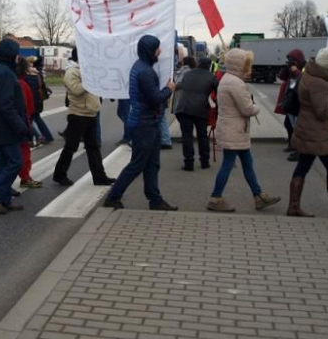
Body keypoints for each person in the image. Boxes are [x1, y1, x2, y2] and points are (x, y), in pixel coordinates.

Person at [102, 35, 178, 211]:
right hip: (144, 124)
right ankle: (113, 197)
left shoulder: (142, 67)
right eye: (157, 48)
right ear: (149, 51)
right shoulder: (145, 72)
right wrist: (169, 89)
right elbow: (154, 98)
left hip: (148, 122)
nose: (160, 51)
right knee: (137, 165)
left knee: (152, 164)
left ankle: (155, 200)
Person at [207, 49, 280, 212]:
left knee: (247, 163)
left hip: (233, 129)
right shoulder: (235, 83)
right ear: (239, 65)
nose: (249, 68)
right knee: (228, 164)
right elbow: (247, 109)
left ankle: (258, 195)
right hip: (235, 130)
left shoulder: (229, 79)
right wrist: (256, 107)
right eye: (246, 64)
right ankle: (215, 198)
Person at [287, 48, 328, 218]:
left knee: (303, 166)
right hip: (317, 133)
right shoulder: (318, 83)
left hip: (306, 128)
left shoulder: (309, 75)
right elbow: (322, 112)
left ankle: (293, 206)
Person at [53, 47, 116, 187]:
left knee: (93, 147)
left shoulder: (87, 71)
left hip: (90, 113)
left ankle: (100, 177)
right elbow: (76, 90)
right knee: (71, 147)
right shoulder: (72, 71)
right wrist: (90, 79)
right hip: (78, 115)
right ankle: (59, 175)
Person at [0, 38, 29, 215]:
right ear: (12, 55)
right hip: (5, 127)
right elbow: (6, 105)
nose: (19, 57)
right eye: (17, 53)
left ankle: (4, 199)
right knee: (16, 162)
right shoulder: (5, 74)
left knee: (3, 163)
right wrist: (21, 126)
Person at [175, 57, 217, 171]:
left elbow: (181, 85)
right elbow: (218, 94)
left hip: (183, 108)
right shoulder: (211, 77)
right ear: (209, 66)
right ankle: (204, 162)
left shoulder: (188, 74)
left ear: (198, 64)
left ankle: (188, 163)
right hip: (201, 109)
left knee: (187, 136)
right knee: (202, 136)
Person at [17, 57, 42, 188]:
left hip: (11, 122)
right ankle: (25, 178)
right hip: (21, 122)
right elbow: (30, 108)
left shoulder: (11, 81)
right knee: (24, 151)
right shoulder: (23, 84)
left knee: (8, 153)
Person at [26, 56, 54, 145]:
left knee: (28, 121)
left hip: (31, 102)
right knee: (36, 119)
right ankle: (47, 136)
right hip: (38, 101)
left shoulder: (26, 76)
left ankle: (34, 138)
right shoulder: (38, 74)